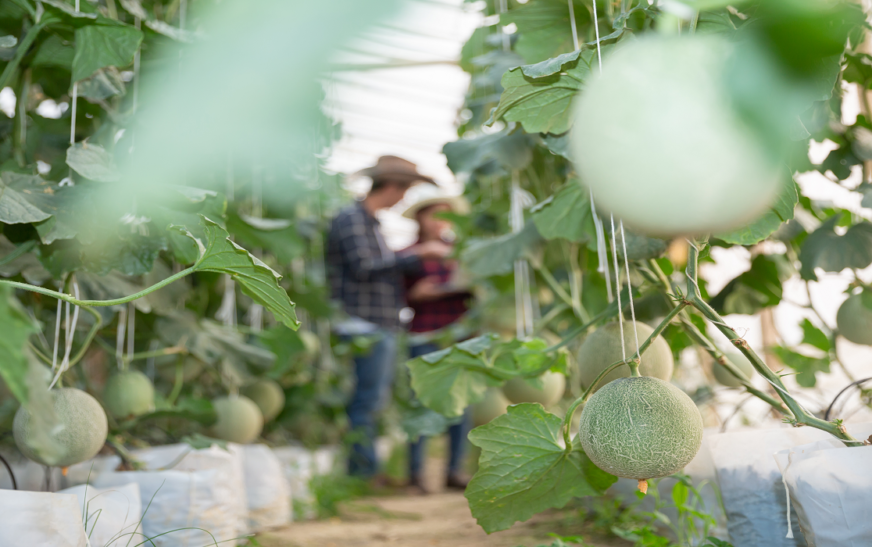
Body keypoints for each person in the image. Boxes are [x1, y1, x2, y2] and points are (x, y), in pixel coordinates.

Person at [326, 156, 451, 481]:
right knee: (366, 399)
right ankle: (363, 472)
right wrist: (416, 255)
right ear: (392, 186)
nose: (403, 199)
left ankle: (365, 469)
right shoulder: (352, 219)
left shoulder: (370, 223)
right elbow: (365, 267)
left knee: (371, 398)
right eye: (405, 191)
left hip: (375, 322)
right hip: (361, 322)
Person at [401, 184, 473, 494]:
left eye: (445, 216)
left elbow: (477, 288)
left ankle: (453, 471)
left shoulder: (463, 253)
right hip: (424, 335)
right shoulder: (407, 255)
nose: (439, 221)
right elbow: (402, 294)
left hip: (460, 336)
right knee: (422, 404)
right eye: (433, 215)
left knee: (461, 405)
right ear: (420, 218)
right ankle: (416, 474)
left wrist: (438, 290)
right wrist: (417, 294)